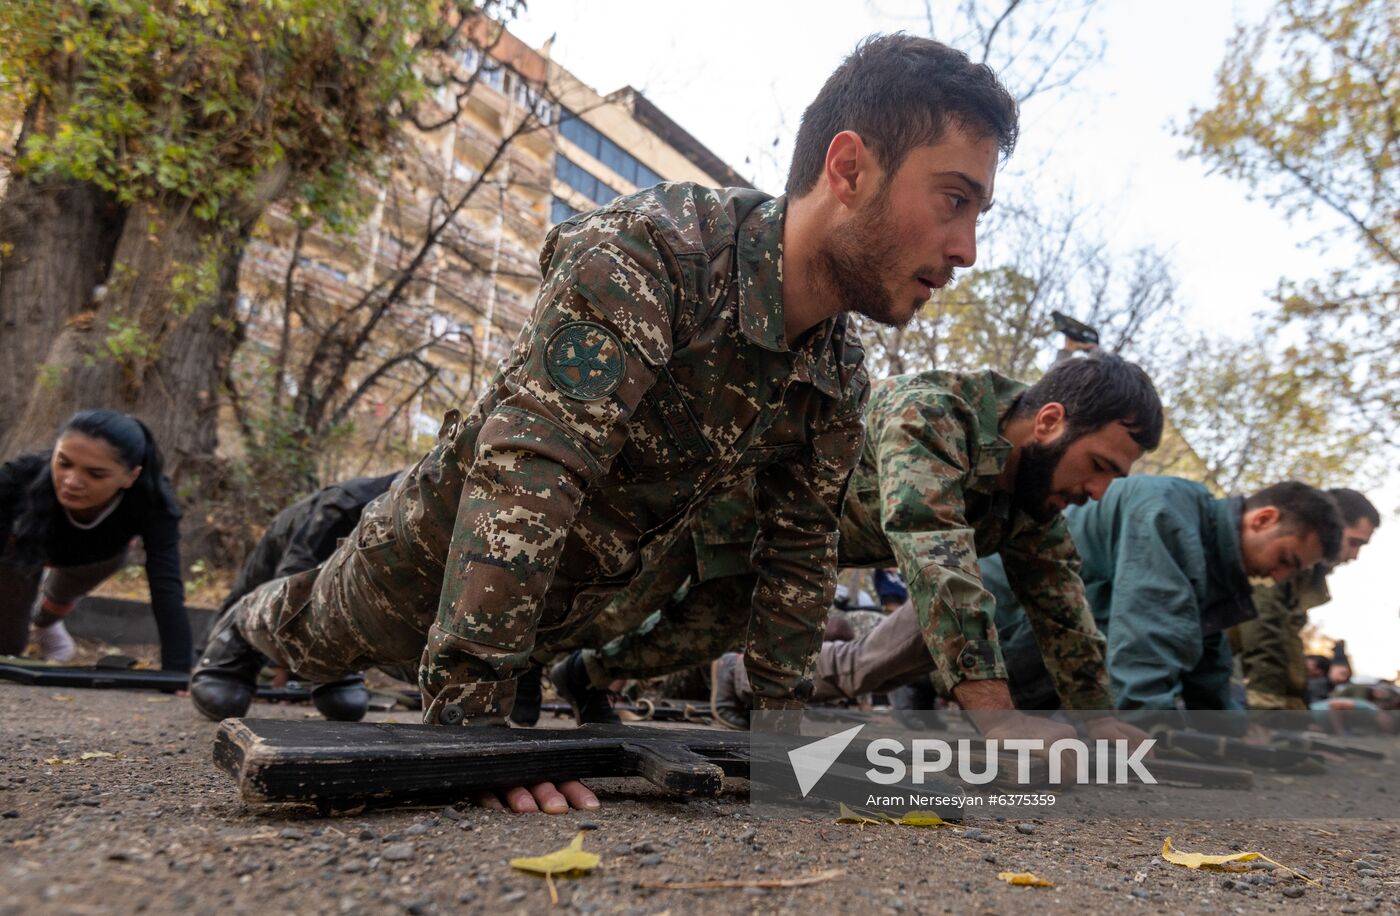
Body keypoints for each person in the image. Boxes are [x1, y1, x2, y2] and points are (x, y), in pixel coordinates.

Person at [190, 33, 1020, 814]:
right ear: (849, 169)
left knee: (379, 663)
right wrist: (471, 732)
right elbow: (530, 471)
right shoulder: (656, 253)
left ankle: (367, 667)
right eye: (954, 199)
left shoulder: (836, 372)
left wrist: (781, 741)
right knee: (318, 632)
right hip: (434, 559)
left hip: (568, 601)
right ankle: (239, 630)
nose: (967, 248)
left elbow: (799, 552)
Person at [559, 353, 1163, 743]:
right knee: (608, 610)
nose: (1098, 492)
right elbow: (936, 558)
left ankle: (582, 677)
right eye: (1100, 466)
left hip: (784, 555)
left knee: (685, 641)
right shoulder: (932, 415)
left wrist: (1098, 718)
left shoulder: (1033, 496)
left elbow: (1062, 606)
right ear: (1050, 422)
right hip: (715, 509)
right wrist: (998, 717)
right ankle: (514, 668)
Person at [992, 479, 1343, 711]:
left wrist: (1228, 730)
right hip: (995, 624)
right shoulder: (1168, 514)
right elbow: (1145, 632)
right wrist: (1150, 726)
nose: (1278, 576)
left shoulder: (1209, 550)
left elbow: (1208, 655)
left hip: (1027, 645)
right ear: (1263, 519)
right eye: (1285, 560)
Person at [196, 472, 399, 721]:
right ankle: (207, 660)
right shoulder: (342, 506)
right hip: (290, 533)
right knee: (247, 595)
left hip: (342, 555)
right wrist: (281, 668)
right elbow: (292, 583)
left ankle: (331, 675)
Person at [0, 409, 192, 672]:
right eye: (64, 463)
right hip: (22, 550)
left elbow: (166, 587)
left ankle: (47, 622)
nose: (72, 481)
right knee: (7, 649)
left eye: (95, 474)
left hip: (95, 556)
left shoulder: (153, 501)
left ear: (131, 476)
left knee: (60, 596)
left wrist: (178, 671)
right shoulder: (18, 477)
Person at [1232, 488, 1379, 710]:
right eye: (1353, 542)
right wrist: (1266, 707)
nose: (1354, 555)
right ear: (1332, 526)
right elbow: (1264, 630)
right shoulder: (1281, 560)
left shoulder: (1305, 577)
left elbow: (1285, 642)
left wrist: (1295, 705)